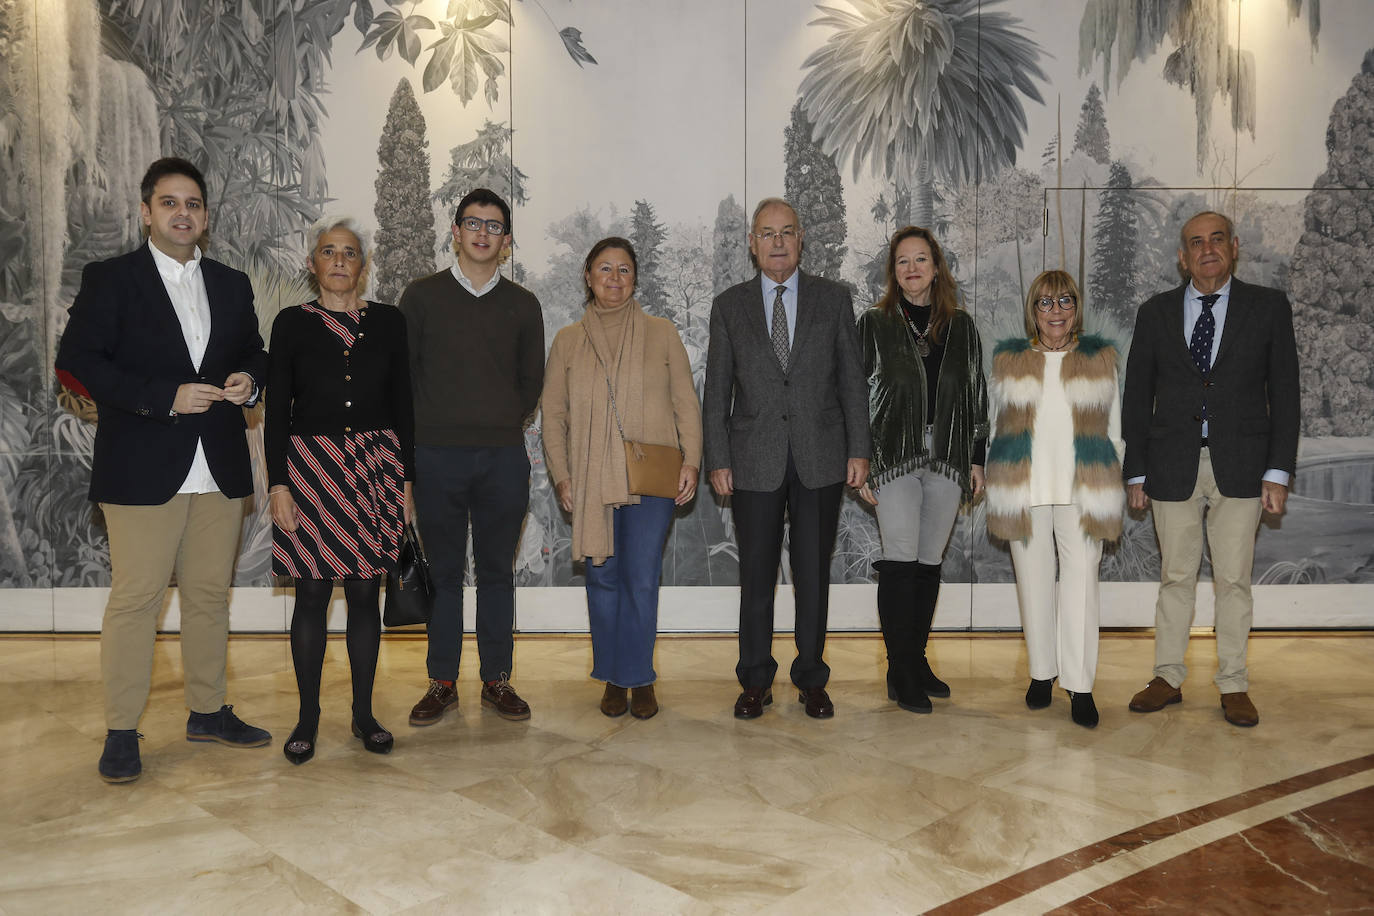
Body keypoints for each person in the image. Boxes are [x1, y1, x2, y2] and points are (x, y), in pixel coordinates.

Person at [55, 157, 271, 783]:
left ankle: (207, 711)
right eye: (170, 203)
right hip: (142, 465)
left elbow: (255, 349)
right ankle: (122, 731)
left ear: (205, 216)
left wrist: (249, 379)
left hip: (220, 466)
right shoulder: (111, 279)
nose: (184, 213)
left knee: (208, 597)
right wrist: (161, 396)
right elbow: (78, 361)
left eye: (194, 204)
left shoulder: (231, 283)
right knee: (137, 600)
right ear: (146, 210)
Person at [1122, 211, 1299, 728]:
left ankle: (1234, 684)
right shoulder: (1154, 313)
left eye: (1215, 240)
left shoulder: (1267, 308)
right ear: (1182, 257)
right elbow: (1137, 397)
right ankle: (1167, 678)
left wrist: (1278, 471)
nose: (1206, 250)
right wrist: (1136, 472)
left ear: (1234, 247)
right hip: (1170, 464)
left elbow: (1285, 395)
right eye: (1195, 243)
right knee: (1175, 576)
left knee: (1234, 581)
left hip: (1242, 465)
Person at [703, 197, 871, 720]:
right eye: (766, 233)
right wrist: (718, 457)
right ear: (752, 245)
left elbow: (851, 382)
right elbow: (717, 393)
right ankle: (754, 679)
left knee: (812, 575)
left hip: (820, 458)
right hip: (753, 460)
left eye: (787, 232)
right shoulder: (729, 306)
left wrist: (859, 449)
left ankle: (811, 678)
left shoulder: (834, 299)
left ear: (801, 240)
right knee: (755, 576)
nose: (777, 242)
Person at [265, 217, 415, 763]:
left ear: (362, 266)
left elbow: (404, 405)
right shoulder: (290, 324)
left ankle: (363, 714)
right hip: (310, 469)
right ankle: (307, 718)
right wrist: (278, 484)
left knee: (362, 598)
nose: (338, 261)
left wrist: (406, 481)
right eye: (328, 251)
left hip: (376, 468)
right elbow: (277, 409)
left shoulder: (390, 323)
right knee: (309, 596)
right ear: (312, 264)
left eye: (349, 253)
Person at [399, 188, 545, 725]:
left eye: (494, 226)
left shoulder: (523, 305)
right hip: (436, 456)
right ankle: (441, 681)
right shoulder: (421, 297)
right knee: (443, 573)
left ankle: (496, 680)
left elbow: (532, 382)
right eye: (473, 223)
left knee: (495, 572)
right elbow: (405, 380)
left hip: (503, 456)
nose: (483, 233)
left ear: (506, 242)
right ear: (455, 231)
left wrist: (497, 417)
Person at [541, 238, 702, 719]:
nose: (615, 278)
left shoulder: (661, 332)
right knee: (602, 576)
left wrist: (691, 459)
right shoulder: (568, 340)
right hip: (591, 480)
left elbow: (685, 403)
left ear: (636, 278)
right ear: (588, 276)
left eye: (625, 270)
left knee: (640, 578)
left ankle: (639, 676)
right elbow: (553, 415)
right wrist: (562, 475)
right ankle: (612, 675)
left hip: (652, 477)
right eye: (605, 269)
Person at [855, 227, 988, 714]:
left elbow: (976, 396)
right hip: (894, 458)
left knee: (929, 563)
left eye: (921, 260)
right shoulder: (873, 323)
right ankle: (900, 669)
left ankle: (916, 657)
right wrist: (861, 458)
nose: (912, 269)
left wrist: (977, 457)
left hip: (948, 458)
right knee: (901, 562)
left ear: (937, 268)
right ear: (894, 271)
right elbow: (855, 396)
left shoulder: (963, 327)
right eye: (903, 261)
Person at [985, 271, 1124, 729]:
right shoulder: (1010, 361)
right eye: (1045, 303)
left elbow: (1115, 433)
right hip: (1025, 490)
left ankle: (1080, 686)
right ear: (1034, 311)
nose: (1056, 311)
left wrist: (1111, 483)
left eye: (1065, 301)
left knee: (1082, 585)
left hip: (1083, 491)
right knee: (1034, 584)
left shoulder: (1100, 359)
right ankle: (1042, 674)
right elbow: (995, 428)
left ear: (1076, 306)